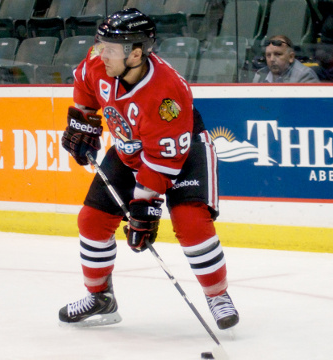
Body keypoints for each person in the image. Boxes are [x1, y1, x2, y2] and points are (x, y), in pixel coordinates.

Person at [58, 8, 240, 331]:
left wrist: (145, 206)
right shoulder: (100, 63)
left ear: (137, 54)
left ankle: (217, 295)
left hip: (182, 154)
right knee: (91, 220)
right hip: (132, 151)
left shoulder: (167, 95)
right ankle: (101, 298)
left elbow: (162, 161)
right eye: (102, 44)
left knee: (191, 223)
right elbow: (84, 83)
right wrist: (83, 122)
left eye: (111, 48)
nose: (102, 53)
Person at [252, 35, 320, 83]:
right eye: (268, 55)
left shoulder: (304, 75)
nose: (272, 59)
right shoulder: (260, 75)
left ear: (291, 57)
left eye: (277, 54)